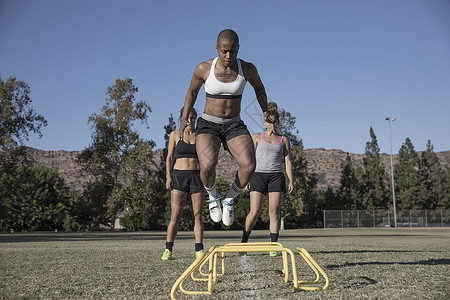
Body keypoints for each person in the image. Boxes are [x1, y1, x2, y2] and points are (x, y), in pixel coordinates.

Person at [179, 29, 268, 226]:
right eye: (224, 51)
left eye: (233, 52)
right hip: (209, 123)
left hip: (234, 124)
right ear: (217, 48)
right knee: (208, 165)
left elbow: (260, 89)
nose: (229, 56)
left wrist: (264, 111)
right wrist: (184, 119)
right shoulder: (204, 68)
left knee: (249, 165)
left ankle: (229, 199)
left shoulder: (247, 69)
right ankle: (212, 196)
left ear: (238, 49)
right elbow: (191, 93)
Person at [241, 102, 294, 256]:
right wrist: (247, 179)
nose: (272, 125)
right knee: (255, 211)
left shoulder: (283, 140)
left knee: (274, 211)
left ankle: (273, 246)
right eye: (269, 122)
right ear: (265, 122)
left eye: (274, 122)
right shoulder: (257, 137)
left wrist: (291, 180)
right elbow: (248, 159)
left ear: (278, 122)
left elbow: (288, 161)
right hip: (258, 175)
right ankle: (244, 240)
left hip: (276, 176)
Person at [161, 107, 205, 260]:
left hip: (196, 177)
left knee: (197, 215)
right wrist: (168, 176)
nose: (190, 121)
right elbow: (169, 158)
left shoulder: (200, 136)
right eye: (187, 118)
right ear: (182, 119)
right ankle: (168, 249)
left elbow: (207, 158)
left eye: (193, 118)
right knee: (176, 215)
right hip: (178, 176)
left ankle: (199, 249)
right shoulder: (174, 135)